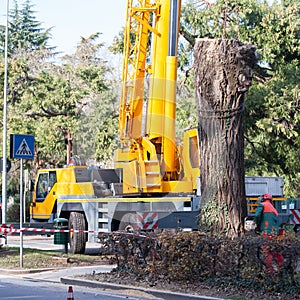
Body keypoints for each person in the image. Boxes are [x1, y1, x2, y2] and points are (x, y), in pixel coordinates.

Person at [254, 193, 284, 274]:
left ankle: (269, 272)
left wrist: (257, 224)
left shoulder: (262, 205)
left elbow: (257, 215)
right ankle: (282, 269)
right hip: (275, 233)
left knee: (267, 252)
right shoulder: (273, 208)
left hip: (266, 232)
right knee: (276, 251)